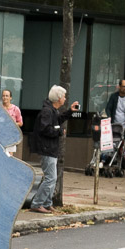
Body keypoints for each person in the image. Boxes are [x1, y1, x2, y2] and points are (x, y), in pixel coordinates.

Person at [29, 85, 80, 214]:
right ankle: (37, 203)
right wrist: (59, 132)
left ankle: (47, 203)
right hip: (47, 148)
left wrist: (70, 112)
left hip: (50, 148)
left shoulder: (52, 110)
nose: (65, 98)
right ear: (58, 98)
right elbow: (45, 129)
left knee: (52, 177)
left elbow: (58, 120)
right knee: (50, 178)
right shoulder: (47, 111)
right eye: (63, 96)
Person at [1, 88, 23, 156]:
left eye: (7, 96)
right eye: (3, 96)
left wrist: (13, 124)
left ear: (10, 98)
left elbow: (21, 123)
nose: (5, 97)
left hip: (11, 136)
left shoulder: (15, 109)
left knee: (10, 156)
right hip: (0, 135)